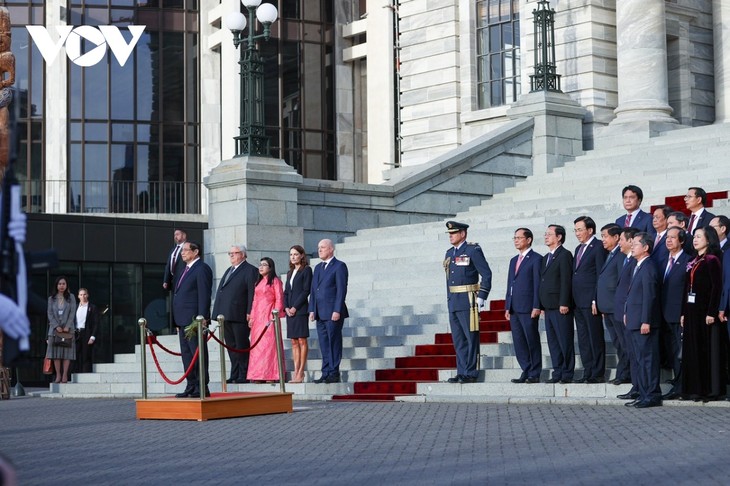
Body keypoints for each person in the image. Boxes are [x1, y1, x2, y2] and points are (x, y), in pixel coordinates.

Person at [680, 226, 727, 401]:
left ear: (709, 239)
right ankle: (694, 389)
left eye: (699, 237)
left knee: (706, 350)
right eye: (695, 237)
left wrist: (711, 311)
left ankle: (710, 390)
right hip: (692, 312)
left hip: (705, 312)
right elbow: (686, 288)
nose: (695, 239)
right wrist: (683, 312)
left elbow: (716, 287)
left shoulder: (712, 260)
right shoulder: (694, 260)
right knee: (693, 350)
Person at [442, 221, 492, 384]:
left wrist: (482, 296)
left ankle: (470, 372)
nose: (451, 236)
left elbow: (486, 274)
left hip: (468, 300)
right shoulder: (449, 253)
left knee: (470, 337)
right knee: (459, 339)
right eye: (450, 233)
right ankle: (461, 371)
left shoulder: (472, 250)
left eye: (454, 233)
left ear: (463, 234)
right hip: (454, 301)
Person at [624, 232, 662, 408]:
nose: (632, 246)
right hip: (633, 320)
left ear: (646, 248)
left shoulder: (648, 267)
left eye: (636, 244)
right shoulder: (637, 265)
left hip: (643, 323)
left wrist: (646, 320)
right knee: (639, 359)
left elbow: (650, 296)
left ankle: (652, 395)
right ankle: (643, 393)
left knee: (647, 360)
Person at [211, 244, 258, 384]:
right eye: (230, 253)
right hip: (226, 314)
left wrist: (250, 311)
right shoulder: (229, 270)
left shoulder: (250, 270)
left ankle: (244, 374)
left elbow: (252, 293)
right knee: (231, 345)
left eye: (235, 253)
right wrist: (216, 312)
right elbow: (221, 291)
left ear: (243, 254)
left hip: (240, 314)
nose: (231, 255)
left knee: (241, 344)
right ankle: (235, 373)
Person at [171, 241, 212, 398]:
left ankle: (202, 386)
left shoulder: (202, 268)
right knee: (187, 354)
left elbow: (204, 295)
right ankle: (191, 385)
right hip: (182, 320)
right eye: (182, 251)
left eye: (186, 250)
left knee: (197, 353)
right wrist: (176, 321)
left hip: (195, 320)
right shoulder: (184, 269)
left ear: (196, 252)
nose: (183, 253)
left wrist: (202, 318)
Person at [572, 216, 607, 383]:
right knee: (584, 339)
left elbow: (601, 274)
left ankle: (598, 373)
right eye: (575, 230)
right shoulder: (578, 248)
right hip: (578, 301)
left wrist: (596, 299)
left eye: (580, 229)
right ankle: (588, 370)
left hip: (590, 301)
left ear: (590, 230)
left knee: (595, 337)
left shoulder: (598, 246)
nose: (577, 233)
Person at [309, 239, 349, 384]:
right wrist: (312, 309)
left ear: (331, 249)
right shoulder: (318, 267)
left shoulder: (339, 266)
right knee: (324, 343)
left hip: (333, 312)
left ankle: (334, 372)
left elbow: (341, 290)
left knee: (334, 342)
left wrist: (337, 310)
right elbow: (314, 290)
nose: (320, 250)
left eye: (323, 247)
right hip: (319, 312)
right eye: (318, 247)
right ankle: (325, 372)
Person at [505, 228, 542, 383]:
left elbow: (537, 284)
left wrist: (536, 305)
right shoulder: (514, 260)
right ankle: (525, 369)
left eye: (519, 238)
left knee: (531, 339)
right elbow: (510, 284)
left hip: (528, 307)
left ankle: (534, 372)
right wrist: (508, 305)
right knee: (519, 341)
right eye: (515, 238)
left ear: (529, 240)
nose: (516, 240)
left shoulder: (536, 259)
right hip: (514, 308)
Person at [595, 224, 630, 385]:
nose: (603, 239)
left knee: (623, 342)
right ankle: (623, 372)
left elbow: (621, 283)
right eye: (601, 236)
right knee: (617, 342)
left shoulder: (620, 255)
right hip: (607, 308)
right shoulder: (610, 254)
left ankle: (625, 374)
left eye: (605, 236)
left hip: (616, 308)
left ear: (616, 238)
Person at [539, 224, 574, 384]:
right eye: (545, 234)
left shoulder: (565, 255)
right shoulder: (546, 257)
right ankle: (557, 371)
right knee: (553, 342)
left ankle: (567, 372)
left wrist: (564, 302)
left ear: (559, 237)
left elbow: (566, 280)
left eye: (549, 234)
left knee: (564, 340)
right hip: (548, 306)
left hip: (561, 306)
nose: (546, 237)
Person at [659, 226, 690, 400]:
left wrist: (685, 312)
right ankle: (677, 381)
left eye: (673, 237)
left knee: (681, 352)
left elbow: (688, 290)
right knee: (672, 352)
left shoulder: (688, 261)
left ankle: (681, 386)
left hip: (679, 315)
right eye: (667, 237)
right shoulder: (663, 261)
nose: (668, 240)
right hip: (663, 315)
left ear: (682, 241)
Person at [247, 257, 286, 382]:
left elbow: (279, 299)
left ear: (270, 268)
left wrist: (275, 315)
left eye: (264, 265)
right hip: (258, 317)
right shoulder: (257, 282)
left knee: (269, 346)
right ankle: (257, 374)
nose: (261, 267)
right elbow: (254, 301)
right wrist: (252, 317)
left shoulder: (275, 281)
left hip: (269, 316)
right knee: (257, 346)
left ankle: (271, 374)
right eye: (260, 264)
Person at [615, 228, 639, 400]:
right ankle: (635, 386)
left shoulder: (635, 262)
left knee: (634, 352)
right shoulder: (626, 260)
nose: (619, 243)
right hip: (622, 313)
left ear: (631, 241)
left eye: (621, 239)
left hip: (630, 314)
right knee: (629, 351)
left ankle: (638, 386)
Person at [284, 245, 312, 383]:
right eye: (291, 255)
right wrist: (287, 307)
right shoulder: (290, 273)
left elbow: (306, 290)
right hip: (290, 312)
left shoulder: (306, 270)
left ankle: (301, 373)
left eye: (295, 254)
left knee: (302, 340)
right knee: (294, 342)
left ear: (302, 255)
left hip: (300, 310)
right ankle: (296, 372)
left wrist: (295, 307)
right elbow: (286, 292)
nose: (293, 257)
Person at [45, 276, 77, 384]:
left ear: (66, 285)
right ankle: (58, 375)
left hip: (68, 329)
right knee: (55, 354)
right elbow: (49, 313)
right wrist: (55, 325)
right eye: (59, 284)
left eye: (63, 284)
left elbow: (72, 312)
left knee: (67, 353)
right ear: (56, 285)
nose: (61, 286)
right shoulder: (51, 298)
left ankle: (64, 375)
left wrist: (67, 326)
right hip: (54, 330)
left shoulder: (71, 297)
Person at [74, 288, 98, 373]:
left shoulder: (92, 307)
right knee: (75, 355)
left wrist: (93, 336)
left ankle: (85, 376)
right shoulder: (75, 307)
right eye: (81, 295)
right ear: (78, 296)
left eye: (84, 294)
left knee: (86, 356)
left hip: (87, 334)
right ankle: (75, 376)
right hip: (76, 333)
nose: (83, 296)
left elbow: (96, 323)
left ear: (87, 295)